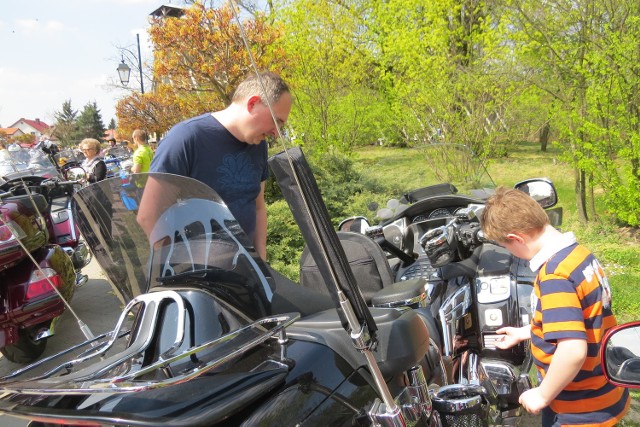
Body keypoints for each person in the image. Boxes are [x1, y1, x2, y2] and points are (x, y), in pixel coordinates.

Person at [480, 187, 630, 427]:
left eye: (507, 247)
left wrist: (542, 394)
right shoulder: (579, 255)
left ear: (516, 238)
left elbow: (572, 350)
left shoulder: (554, 276)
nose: (512, 253)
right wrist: (524, 332)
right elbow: (583, 318)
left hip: (578, 406)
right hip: (601, 389)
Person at [145, 71, 292, 260]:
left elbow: (258, 207)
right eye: (276, 120)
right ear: (253, 103)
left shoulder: (259, 146)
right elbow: (149, 215)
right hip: (193, 278)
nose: (276, 133)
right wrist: (175, 268)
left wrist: (261, 263)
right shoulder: (186, 138)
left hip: (244, 272)